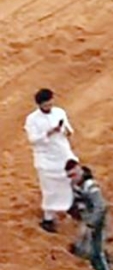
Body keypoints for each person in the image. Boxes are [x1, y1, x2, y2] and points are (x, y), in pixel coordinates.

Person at [24, 88, 78, 233]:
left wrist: (65, 130)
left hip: (62, 153)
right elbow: (33, 139)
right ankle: (49, 218)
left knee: (69, 181)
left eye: (50, 103)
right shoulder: (32, 119)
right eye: (46, 105)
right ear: (40, 105)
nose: (49, 107)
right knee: (49, 189)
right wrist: (48, 133)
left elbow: (69, 130)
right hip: (46, 158)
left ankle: (70, 207)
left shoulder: (59, 112)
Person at [65, 159, 113, 270]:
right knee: (87, 251)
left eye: (74, 175)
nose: (72, 179)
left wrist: (90, 224)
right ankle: (108, 261)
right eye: (70, 176)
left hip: (96, 223)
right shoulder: (76, 185)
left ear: (79, 169)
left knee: (95, 256)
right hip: (88, 221)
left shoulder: (90, 186)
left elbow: (101, 207)